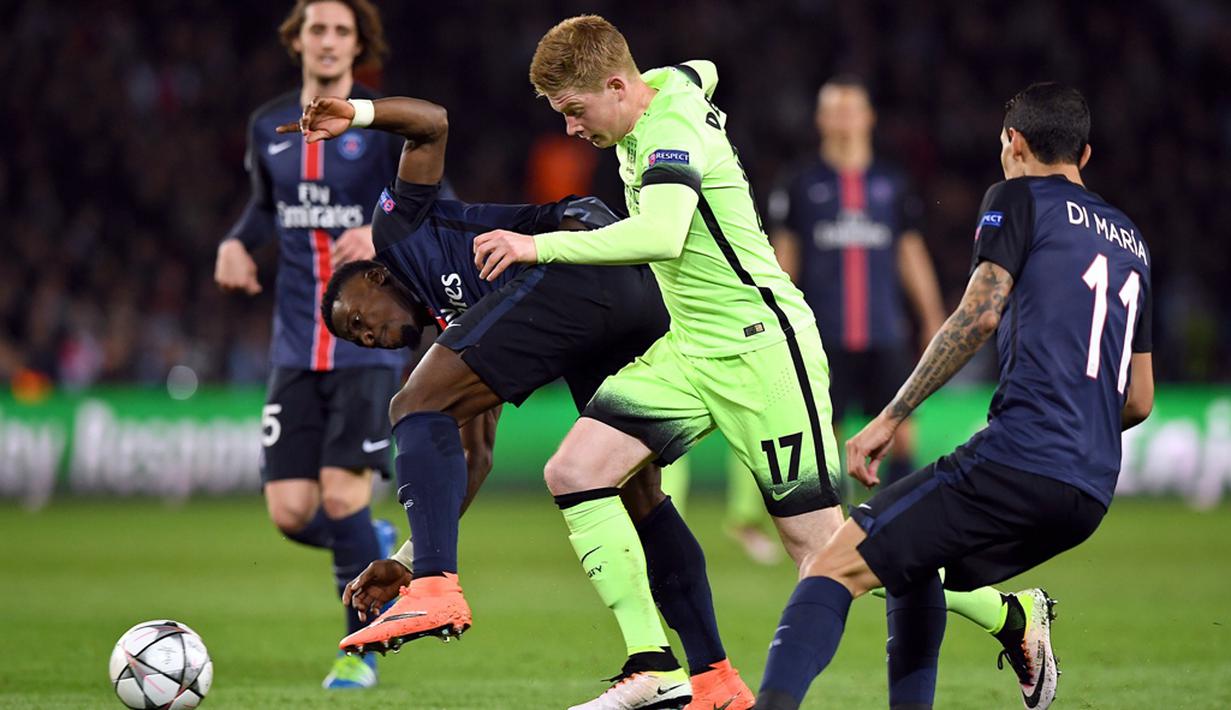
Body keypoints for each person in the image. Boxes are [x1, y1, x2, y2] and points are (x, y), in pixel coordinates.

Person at [474, 16, 1062, 710]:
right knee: (574, 470)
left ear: (614, 84)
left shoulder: (668, 133)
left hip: (763, 354)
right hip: (689, 351)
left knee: (826, 560)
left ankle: (1008, 616)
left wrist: (533, 246)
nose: (572, 129)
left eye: (575, 111)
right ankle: (653, 666)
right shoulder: (671, 89)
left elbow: (662, 234)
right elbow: (701, 67)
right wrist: (675, 80)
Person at [280, 93, 756, 710]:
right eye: (356, 339)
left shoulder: (398, 234)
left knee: (411, 405)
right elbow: (472, 460)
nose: (365, 335)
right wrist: (404, 555)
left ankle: (436, 585)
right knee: (638, 492)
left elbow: (433, 123)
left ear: (373, 277)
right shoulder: (471, 333)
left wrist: (360, 113)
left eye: (356, 320)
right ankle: (704, 675)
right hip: (628, 294)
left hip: (583, 256)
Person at [753, 83, 1154, 710]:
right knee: (913, 565)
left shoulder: (1015, 199)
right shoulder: (1132, 241)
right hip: (1090, 490)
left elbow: (980, 314)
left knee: (832, 566)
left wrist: (892, 415)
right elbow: (1139, 400)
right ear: (1086, 153)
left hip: (1019, 460)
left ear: (1014, 143)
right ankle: (1014, 624)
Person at [213, 0, 402, 690]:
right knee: (292, 512)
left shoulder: (384, 124)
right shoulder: (269, 125)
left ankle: (361, 649)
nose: (327, 41)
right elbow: (265, 205)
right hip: (295, 346)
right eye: (316, 29)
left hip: (367, 343)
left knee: (344, 497)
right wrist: (236, 242)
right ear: (298, 42)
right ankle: (371, 550)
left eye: (341, 32)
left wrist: (381, 233)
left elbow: (429, 204)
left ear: (358, 45)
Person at [768, 76, 946, 489]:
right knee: (825, 432)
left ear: (869, 118)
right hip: (822, 331)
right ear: (821, 120)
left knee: (901, 431)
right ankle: (834, 527)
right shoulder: (800, 183)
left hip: (884, 330)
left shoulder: (892, 183)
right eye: (835, 111)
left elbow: (910, 253)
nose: (844, 120)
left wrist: (931, 314)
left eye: (852, 110)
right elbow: (785, 258)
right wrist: (775, 319)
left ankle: (899, 515)